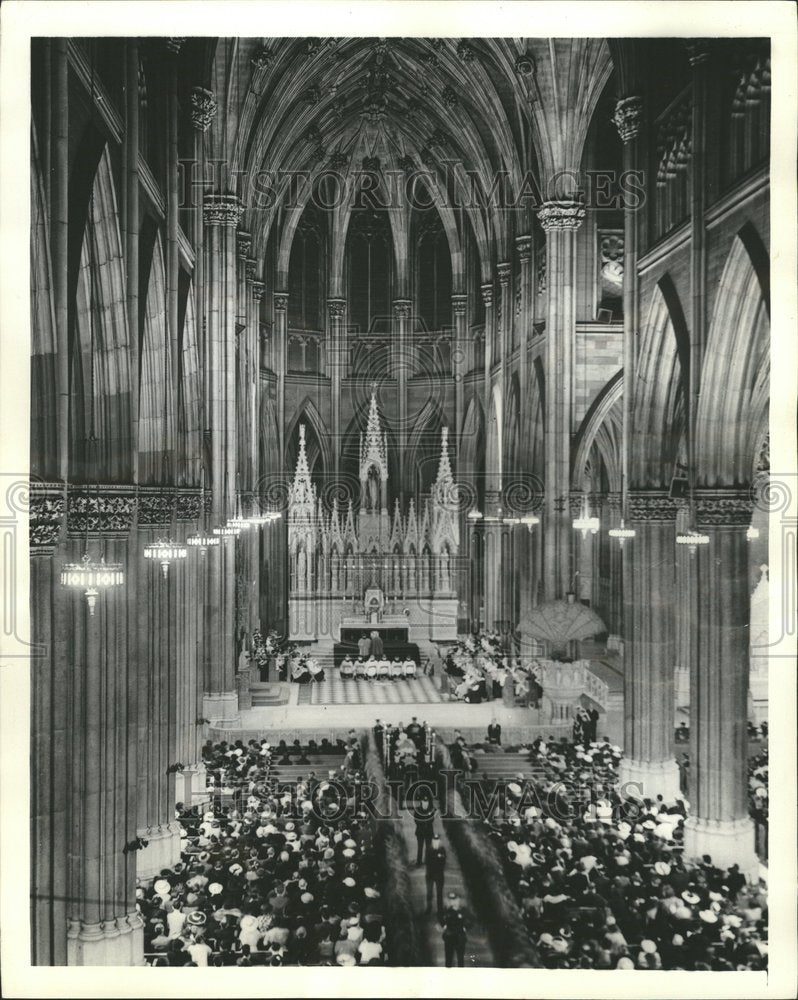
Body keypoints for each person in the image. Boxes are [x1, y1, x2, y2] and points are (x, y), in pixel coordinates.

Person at [441, 891, 467, 968]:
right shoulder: (446, 911)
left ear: (459, 900)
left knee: (460, 959)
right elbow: (440, 917)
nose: (453, 902)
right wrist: (443, 925)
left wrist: (466, 927)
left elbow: (472, 920)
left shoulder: (463, 911)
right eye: (451, 900)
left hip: (460, 938)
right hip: (449, 937)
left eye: (455, 900)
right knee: (448, 959)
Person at [425, 834, 447, 919]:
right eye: (434, 840)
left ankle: (440, 910)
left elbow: (443, 862)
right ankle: (429, 908)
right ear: (432, 841)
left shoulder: (442, 850)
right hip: (430, 875)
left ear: (439, 841)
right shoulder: (429, 849)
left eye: (437, 841)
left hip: (439, 875)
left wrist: (438, 858)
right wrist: (438, 857)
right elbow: (427, 861)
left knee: (439, 893)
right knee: (429, 893)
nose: (436, 842)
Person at [413, 796, 436, 865]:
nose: (425, 803)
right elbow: (416, 820)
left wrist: (426, 819)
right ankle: (419, 861)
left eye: (426, 802)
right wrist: (424, 821)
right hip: (420, 832)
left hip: (428, 831)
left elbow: (432, 819)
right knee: (420, 847)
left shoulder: (431, 810)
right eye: (424, 802)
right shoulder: (418, 810)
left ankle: (428, 860)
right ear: (421, 802)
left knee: (428, 847)